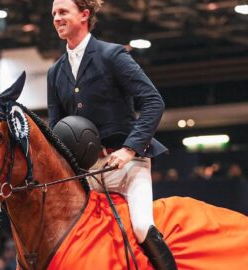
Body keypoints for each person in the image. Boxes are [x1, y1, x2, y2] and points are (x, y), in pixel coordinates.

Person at [47, 0, 176, 269]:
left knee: (141, 227)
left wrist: (129, 149)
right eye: (54, 14)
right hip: (86, 173)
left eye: (63, 12)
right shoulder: (54, 72)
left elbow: (154, 101)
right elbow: (56, 129)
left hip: (127, 165)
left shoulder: (112, 55)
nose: (57, 18)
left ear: (84, 15)